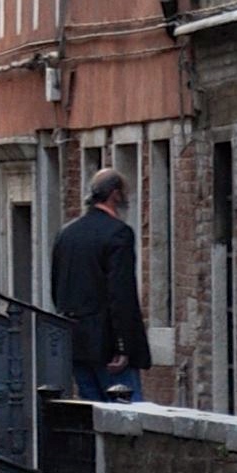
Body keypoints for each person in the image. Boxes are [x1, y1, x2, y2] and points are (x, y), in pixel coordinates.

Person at [50, 167, 153, 402]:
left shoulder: (66, 234)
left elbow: (57, 288)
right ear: (115, 194)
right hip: (107, 346)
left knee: (91, 412)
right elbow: (121, 293)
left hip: (76, 343)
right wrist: (122, 346)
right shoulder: (118, 233)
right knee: (127, 412)